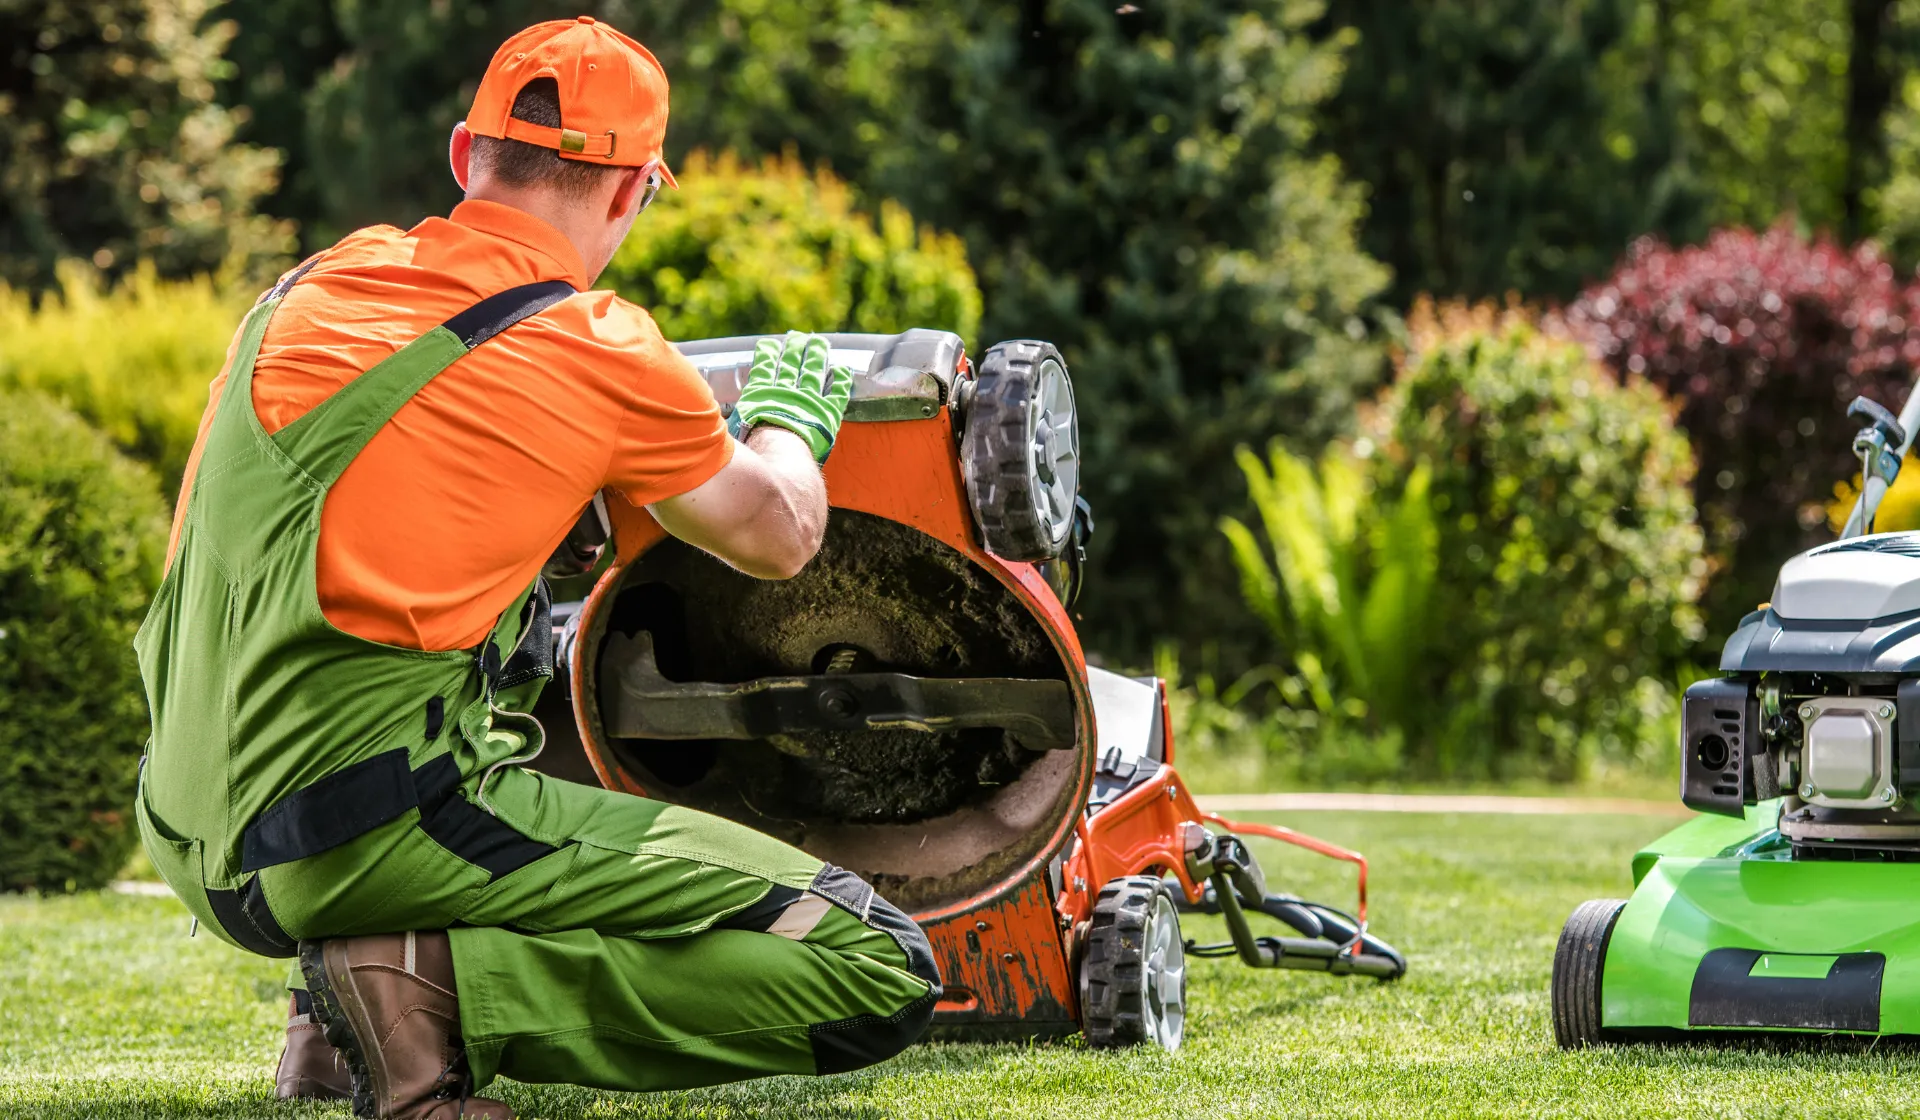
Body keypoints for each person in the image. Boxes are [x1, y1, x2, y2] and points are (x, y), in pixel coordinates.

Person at [133, 17, 938, 1120]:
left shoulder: (305, 293)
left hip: (191, 829)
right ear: (633, 193)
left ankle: (333, 1020)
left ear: (467, 156)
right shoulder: (599, 346)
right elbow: (780, 533)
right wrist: (790, 416)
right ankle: (427, 993)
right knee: (870, 957)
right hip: (361, 835)